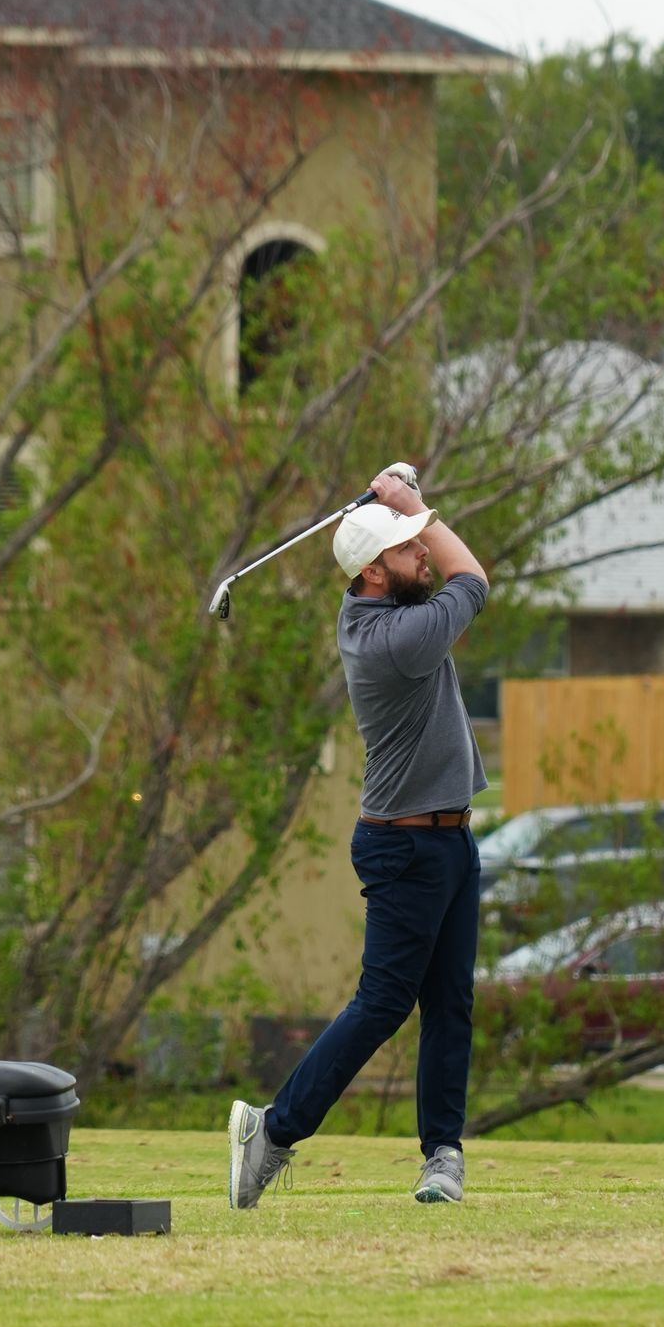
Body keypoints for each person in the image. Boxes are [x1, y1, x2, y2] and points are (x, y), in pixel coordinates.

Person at [228, 466, 488, 1209]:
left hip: (446, 840)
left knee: (450, 1004)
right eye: (410, 550)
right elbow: (473, 579)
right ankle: (273, 1132)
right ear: (375, 570)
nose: (426, 556)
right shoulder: (394, 640)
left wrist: (401, 511)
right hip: (405, 847)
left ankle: (442, 1156)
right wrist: (415, 506)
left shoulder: (387, 612)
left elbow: (447, 569)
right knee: (382, 1003)